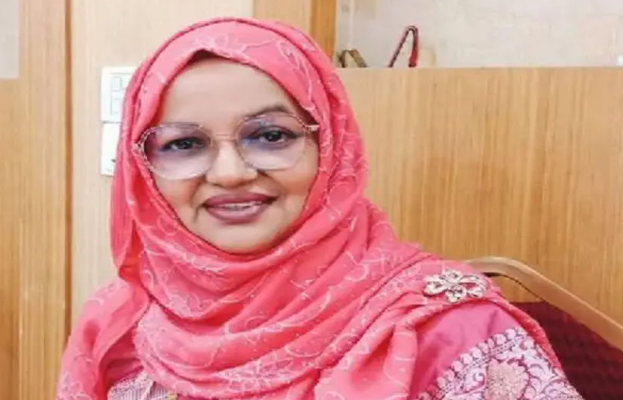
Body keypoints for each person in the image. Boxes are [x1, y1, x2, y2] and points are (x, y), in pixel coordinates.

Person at [56, 17, 583, 400]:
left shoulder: (449, 332)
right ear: (142, 169)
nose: (230, 172)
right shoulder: (121, 324)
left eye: (270, 135)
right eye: (183, 144)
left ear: (331, 148)